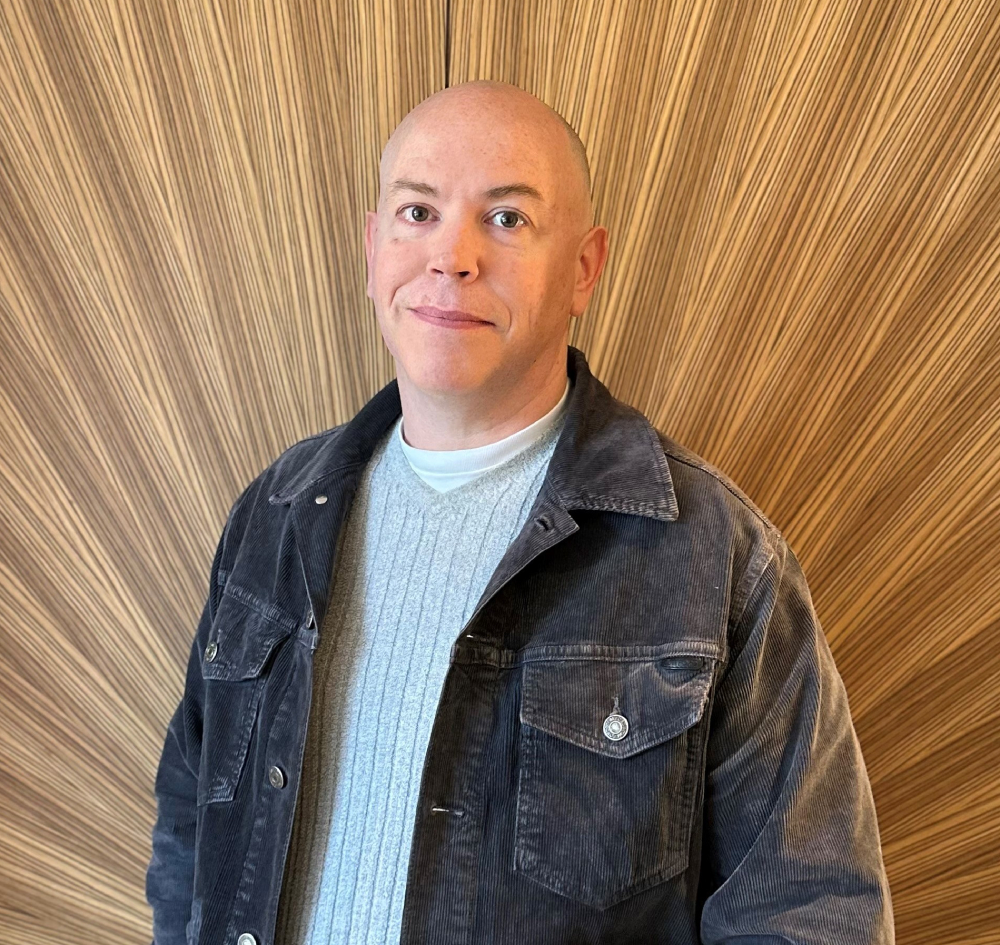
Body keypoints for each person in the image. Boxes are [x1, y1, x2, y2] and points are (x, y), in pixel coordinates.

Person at [145, 80, 895, 945]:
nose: (451, 256)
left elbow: (810, 912)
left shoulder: (715, 555)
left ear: (583, 269)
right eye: (419, 212)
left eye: (506, 219)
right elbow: (191, 826)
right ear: (373, 247)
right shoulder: (274, 515)